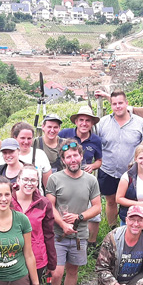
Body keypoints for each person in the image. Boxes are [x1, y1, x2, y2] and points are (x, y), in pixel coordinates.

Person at [45, 140, 102, 285]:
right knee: (56, 272)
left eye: (75, 155)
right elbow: (50, 206)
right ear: (63, 159)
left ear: (81, 156)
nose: (73, 159)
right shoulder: (55, 179)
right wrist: (62, 224)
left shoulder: (90, 180)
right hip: (58, 235)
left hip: (79, 234)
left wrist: (79, 217)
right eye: (68, 157)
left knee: (73, 270)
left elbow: (97, 207)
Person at [94, 90, 143, 227]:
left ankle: (132, 228)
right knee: (111, 201)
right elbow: (95, 144)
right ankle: (113, 229)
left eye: (120, 103)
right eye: (114, 104)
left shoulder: (140, 123)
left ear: (126, 103)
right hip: (108, 170)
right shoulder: (102, 123)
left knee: (130, 200)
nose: (118, 106)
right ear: (111, 105)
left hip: (131, 172)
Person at [60, 105, 103, 246]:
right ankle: (66, 238)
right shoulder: (65, 134)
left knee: (94, 214)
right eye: (81, 120)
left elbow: (99, 161)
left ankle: (91, 242)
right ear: (76, 122)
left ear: (92, 124)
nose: (84, 123)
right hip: (66, 178)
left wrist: (93, 166)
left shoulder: (96, 140)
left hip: (87, 180)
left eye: (88, 121)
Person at [0, 122, 52, 187]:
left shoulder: (40, 155)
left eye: (29, 138)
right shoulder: (3, 157)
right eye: (22, 138)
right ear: (15, 138)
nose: (26, 142)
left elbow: (48, 185)